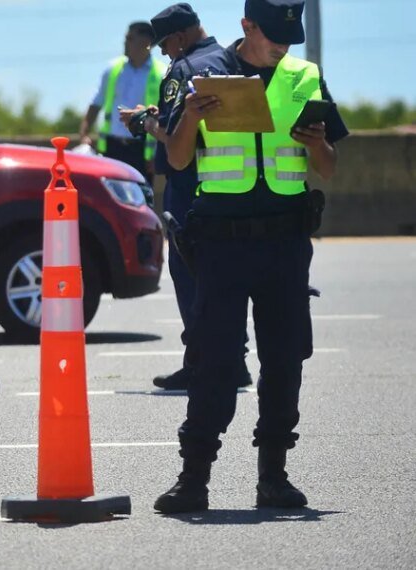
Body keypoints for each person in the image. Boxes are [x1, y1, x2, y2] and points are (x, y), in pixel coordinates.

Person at [154, 0, 348, 514]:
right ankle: (193, 479)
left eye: (290, 38)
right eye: (274, 37)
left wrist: (317, 145)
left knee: (284, 361)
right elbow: (177, 159)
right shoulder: (202, 74)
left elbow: (329, 167)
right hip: (222, 243)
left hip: (285, 245)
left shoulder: (305, 77)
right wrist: (190, 116)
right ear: (247, 26)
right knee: (214, 362)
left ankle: (274, 478)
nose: (283, 47)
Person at [121, 4, 253, 391]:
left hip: (187, 189)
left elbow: (177, 133)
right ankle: (234, 361)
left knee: (190, 276)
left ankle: (199, 363)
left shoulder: (183, 68)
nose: (163, 53)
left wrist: (145, 123)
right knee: (225, 278)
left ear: (180, 37)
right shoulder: (230, 59)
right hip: (228, 185)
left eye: (164, 45)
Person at [79, 22, 169, 179]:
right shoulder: (112, 69)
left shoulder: (161, 74)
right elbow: (96, 103)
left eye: (130, 38)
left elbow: (165, 116)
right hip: (111, 147)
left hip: (142, 151)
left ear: (147, 42)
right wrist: (84, 133)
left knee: (140, 192)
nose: (125, 42)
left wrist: (159, 153)